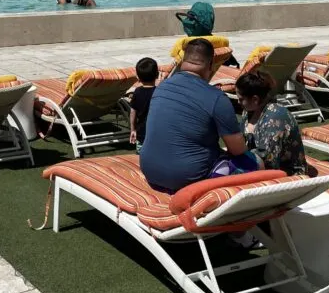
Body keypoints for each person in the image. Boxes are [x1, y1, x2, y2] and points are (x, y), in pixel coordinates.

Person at [140, 39, 260, 193]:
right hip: (187, 178)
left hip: (151, 172)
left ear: (184, 61)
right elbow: (238, 150)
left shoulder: (161, 88)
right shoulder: (216, 98)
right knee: (254, 162)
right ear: (210, 65)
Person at [235, 70, 305, 175]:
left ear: (255, 99)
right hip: (258, 166)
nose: (238, 102)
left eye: (241, 99)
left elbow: (269, 161)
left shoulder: (275, 118)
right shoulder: (249, 111)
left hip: (287, 175)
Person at [129, 57, 158, 153]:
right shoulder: (159, 92)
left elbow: (133, 113)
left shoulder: (137, 92)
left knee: (140, 158)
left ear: (138, 78)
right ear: (157, 75)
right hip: (157, 133)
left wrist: (133, 129)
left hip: (141, 133)